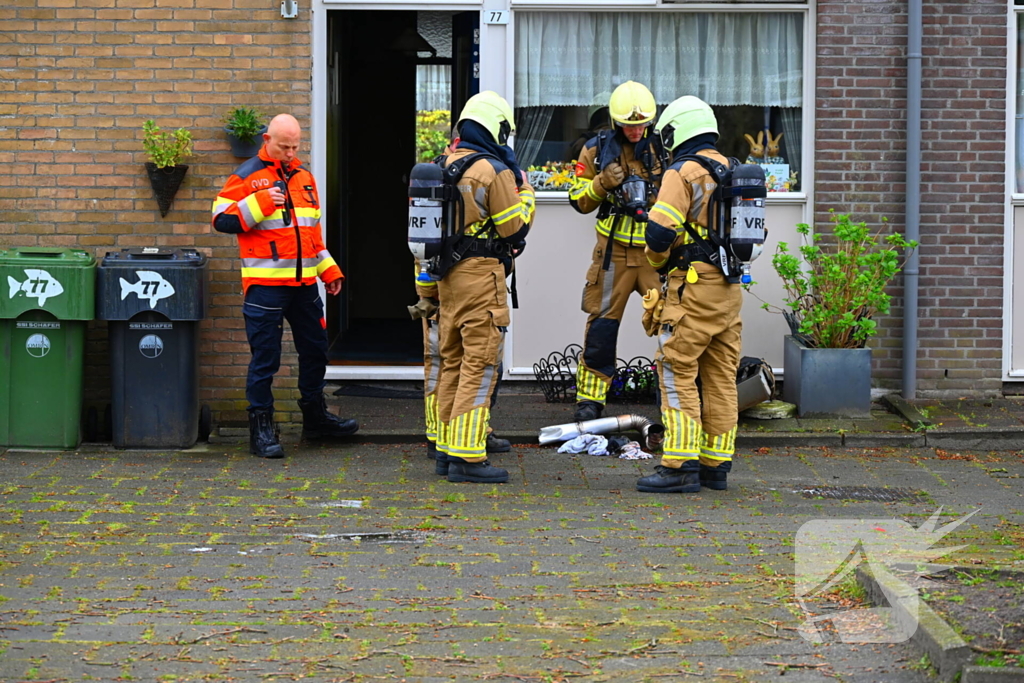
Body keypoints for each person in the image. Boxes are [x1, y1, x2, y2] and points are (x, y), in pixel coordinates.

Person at [212, 113, 358, 459]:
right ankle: (261, 429)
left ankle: (315, 419)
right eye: (284, 146)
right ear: (267, 140)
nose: (291, 153)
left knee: (315, 350)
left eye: (295, 146)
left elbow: (310, 234)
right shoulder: (246, 175)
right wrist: (259, 204)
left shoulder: (305, 177)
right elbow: (220, 219)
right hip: (265, 287)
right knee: (266, 359)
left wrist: (329, 270)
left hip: (305, 285)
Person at [636, 96, 742, 494]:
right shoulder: (732, 170)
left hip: (692, 288)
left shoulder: (682, 172)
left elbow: (660, 232)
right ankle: (716, 465)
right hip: (729, 289)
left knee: (677, 371)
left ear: (675, 132)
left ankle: (679, 464)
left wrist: (658, 262)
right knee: (720, 376)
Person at [432, 91, 535, 484]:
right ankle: (468, 457)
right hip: (481, 278)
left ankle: (446, 450)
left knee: (453, 362)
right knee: (480, 364)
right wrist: (526, 193)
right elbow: (514, 228)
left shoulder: (443, 164)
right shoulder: (491, 171)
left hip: (448, 279)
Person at [567, 81, 663, 422]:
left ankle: (674, 398)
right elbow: (578, 201)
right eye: (629, 124)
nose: (636, 130)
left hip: (658, 254)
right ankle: (590, 401)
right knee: (602, 329)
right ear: (613, 121)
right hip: (614, 255)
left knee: (673, 323)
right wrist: (601, 183)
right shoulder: (595, 151)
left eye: (642, 124)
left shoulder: (664, 150)